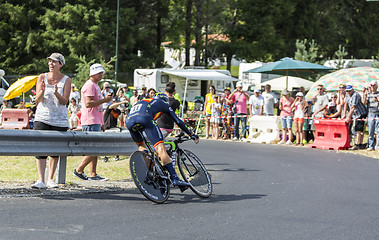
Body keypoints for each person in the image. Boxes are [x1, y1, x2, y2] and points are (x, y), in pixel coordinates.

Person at [125, 92, 199, 189]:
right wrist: (191, 134)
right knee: (160, 147)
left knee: (141, 146)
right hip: (144, 117)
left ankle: (154, 174)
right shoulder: (162, 103)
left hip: (129, 121)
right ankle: (175, 178)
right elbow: (177, 121)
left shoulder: (143, 101)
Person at [31, 52, 71, 189]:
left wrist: (56, 93)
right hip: (42, 118)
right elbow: (38, 100)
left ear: (60, 64)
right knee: (40, 150)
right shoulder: (42, 77)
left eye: (54, 61)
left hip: (59, 120)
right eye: (49, 61)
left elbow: (65, 101)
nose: (51, 64)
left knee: (54, 152)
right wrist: (41, 91)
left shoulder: (66, 80)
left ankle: (50, 179)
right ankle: (41, 180)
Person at [74, 63, 113, 181]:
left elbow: (95, 106)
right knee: (94, 148)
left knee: (95, 148)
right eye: (99, 73)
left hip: (95, 120)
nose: (101, 75)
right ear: (93, 73)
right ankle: (79, 170)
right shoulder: (90, 85)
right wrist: (104, 100)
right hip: (90, 120)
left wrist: (101, 122)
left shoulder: (94, 85)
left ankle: (93, 174)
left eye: (102, 73)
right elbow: (88, 103)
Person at [343, 85, 367, 150]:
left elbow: (353, 107)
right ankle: (360, 143)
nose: (348, 92)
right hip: (355, 114)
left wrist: (348, 117)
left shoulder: (355, 95)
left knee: (358, 129)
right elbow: (346, 104)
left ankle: (357, 144)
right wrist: (344, 114)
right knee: (356, 129)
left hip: (361, 113)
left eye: (349, 91)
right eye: (347, 91)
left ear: (352, 90)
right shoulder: (347, 95)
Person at [362, 80, 379, 151]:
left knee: (378, 132)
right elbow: (364, 103)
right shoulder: (368, 94)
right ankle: (371, 146)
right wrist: (365, 95)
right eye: (371, 85)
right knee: (371, 131)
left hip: (378, 114)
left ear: (377, 86)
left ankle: (377, 146)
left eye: (373, 85)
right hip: (370, 114)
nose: (372, 87)